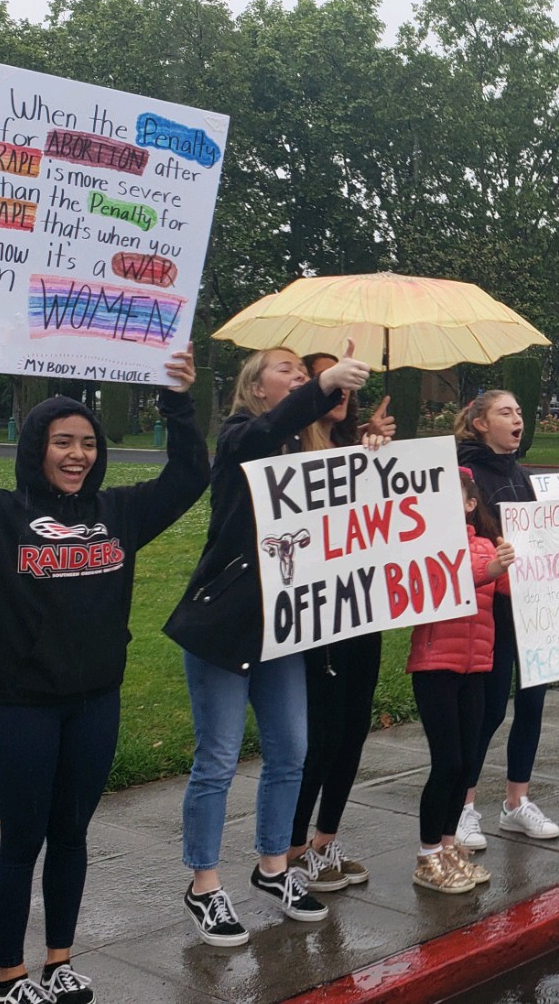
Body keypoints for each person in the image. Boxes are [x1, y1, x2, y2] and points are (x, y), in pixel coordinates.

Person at [0, 313, 208, 1004]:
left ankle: (59, 961)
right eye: (62, 442)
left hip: (95, 702)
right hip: (21, 706)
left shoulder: (122, 514)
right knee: (23, 839)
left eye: (88, 443)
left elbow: (191, 475)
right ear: (35, 448)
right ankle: (10, 977)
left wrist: (178, 401)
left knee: (72, 834)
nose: (77, 455)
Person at [167, 343, 371, 946]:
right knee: (218, 758)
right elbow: (264, 434)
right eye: (288, 370)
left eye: (305, 374)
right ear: (256, 388)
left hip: (283, 630)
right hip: (225, 626)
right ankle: (204, 884)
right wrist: (323, 385)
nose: (301, 377)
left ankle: (274, 866)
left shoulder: (305, 451)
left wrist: (369, 462)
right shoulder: (240, 438)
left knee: (291, 751)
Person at [457, 391, 559, 846]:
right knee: (487, 710)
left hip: (533, 605)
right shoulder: (464, 473)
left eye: (520, 412)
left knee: (532, 703)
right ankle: (462, 807)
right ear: (480, 423)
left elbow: (542, 539)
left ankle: (516, 802)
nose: (517, 418)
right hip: (492, 607)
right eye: (506, 412)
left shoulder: (519, 474)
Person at [284, 355, 396, 893]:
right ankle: (291, 847)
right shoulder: (287, 451)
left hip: (362, 608)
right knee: (321, 735)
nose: (343, 387)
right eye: (329, 378)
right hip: (316, 616)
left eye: (349, 380)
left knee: (353, 729)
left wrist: (377, 455)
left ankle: (325, 839)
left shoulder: (358, 449)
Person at [406, 470, 508, 892]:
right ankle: (428, 853)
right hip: (435, 665)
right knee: (446, 762)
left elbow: (517, 584)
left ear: (470, 504)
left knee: (466, 762)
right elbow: (448, 578)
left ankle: (448, 847)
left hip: (476, 666)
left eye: (456, 495)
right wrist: (492, 567)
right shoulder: (425, 546)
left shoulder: (486, 545)